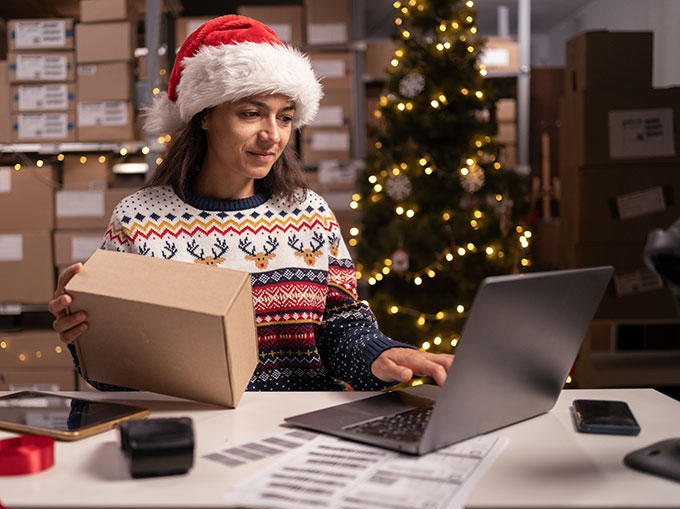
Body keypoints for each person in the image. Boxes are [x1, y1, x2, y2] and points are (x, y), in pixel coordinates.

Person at [49, 15, 452, 392]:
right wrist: (84, 335)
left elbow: (340, 325)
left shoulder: (308, 213)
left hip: (302, 430)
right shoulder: (139, 220)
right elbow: (117, 370)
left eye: (284, 117)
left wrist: (380, 353)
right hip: (195, 435)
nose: (272, 135)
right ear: (204, 116)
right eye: (251, 113)